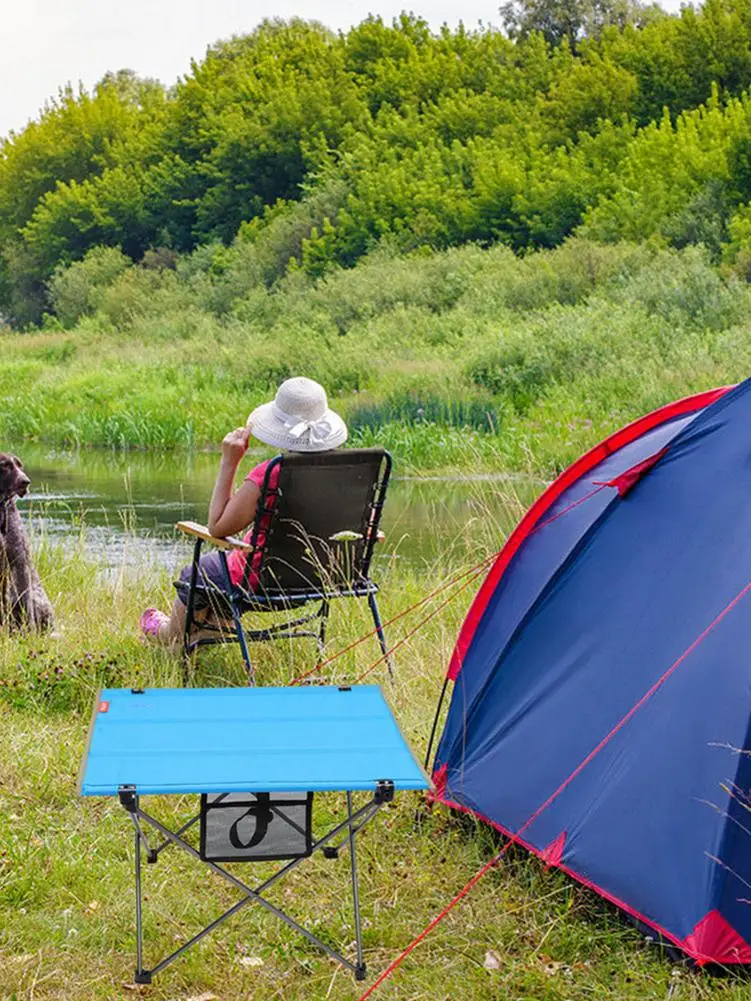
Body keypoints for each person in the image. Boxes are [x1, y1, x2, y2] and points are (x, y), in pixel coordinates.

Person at [140, 376, 348, 645]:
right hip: (317, 580)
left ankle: (168, 635)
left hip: (258, 582)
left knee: (197, 574)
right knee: (217, 577)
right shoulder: (344, 475)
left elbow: (218, 528)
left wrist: (229, 461)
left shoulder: (270, 475)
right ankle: (204, 632)